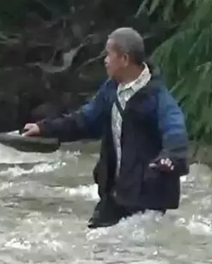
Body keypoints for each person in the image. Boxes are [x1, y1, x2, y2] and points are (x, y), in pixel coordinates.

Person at [22, 27, 190, 228]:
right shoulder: (111, 89)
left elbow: (175, 131)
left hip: (147, 198)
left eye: (109, 54)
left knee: (137, 256)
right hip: (115, 193)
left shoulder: (157, 97)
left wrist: (171, 158)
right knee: (97, 247)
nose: (105, 60)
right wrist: (44, 128)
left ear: (125, 59)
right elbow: (86, 120)